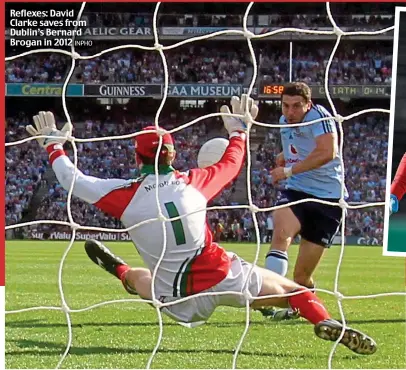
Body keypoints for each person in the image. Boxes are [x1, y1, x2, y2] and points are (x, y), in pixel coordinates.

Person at [26, 96, 375, 355]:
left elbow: (73, 180)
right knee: (297, 292)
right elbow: (233, 163)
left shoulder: (121, 196)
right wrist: (239, 131)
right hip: (221, 276)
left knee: (141, 280)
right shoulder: (196, 181)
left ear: (136, 157)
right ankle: (324, 320)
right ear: (174, 156)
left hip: (171, 294)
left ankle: (118, 269)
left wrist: (54, 146)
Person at [260, 82, 348, 320]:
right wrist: (283, 157)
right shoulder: (282, 121)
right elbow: (296, 147)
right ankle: (267, 296)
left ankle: (304, 303)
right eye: (286, 106)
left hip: (328, 200)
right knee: (281, 233)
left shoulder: (319, 116)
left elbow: (327, 152)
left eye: (297, 106)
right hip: (297, 191)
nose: (290, 112)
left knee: (301, 278)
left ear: (308, 104)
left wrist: (289, 171)